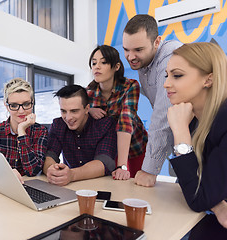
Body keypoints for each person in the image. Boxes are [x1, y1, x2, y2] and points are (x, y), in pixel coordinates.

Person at [164, 42, 227, 232]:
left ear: (208, 80)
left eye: (177, 75)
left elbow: (198, 198)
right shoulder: (192, 118)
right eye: (166, 75)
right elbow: (193, 184)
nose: (166, 83)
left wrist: (180, 130)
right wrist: (215, 204)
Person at [122, 14, 183, 187]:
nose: (131, 56)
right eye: (126, 49)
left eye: (138, 50)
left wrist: (149, 169)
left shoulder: (171, 56)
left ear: (157, 42)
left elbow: (162, 114)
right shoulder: (144, 63)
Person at [0, 78, 48, 200]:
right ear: (6, 106)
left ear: (32, 102)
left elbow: (33, 170)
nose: (21, 110)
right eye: (14, 105)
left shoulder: (40, 131)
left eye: (26, 104)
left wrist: (22, 133)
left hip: (23, 192)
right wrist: (7, 177)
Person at [86, 45, 148, 180]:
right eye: (94, 63)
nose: (97, 67)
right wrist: (89, 110)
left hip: (134, 146)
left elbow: (126, 119)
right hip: (108, 150)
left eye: (103, 62)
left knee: (136, 188)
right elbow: (78, 113)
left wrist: (122, 166)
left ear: (116, 66)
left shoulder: (130, 86)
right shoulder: (89, 92)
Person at [43, 84, 117, 186]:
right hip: (69, 186)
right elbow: (49, 156)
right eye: (63, 111)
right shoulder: (58, 125)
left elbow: (104, 163)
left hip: (100, 186)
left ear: (87, 109)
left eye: (74, 111)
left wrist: (72, 175)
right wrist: (52, 170)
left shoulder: (105, 125)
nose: (68, 118)